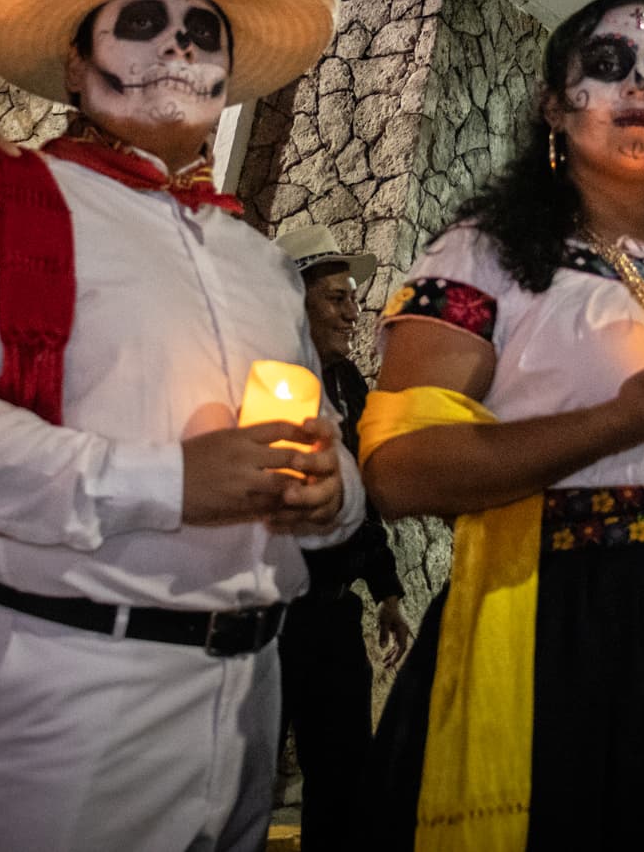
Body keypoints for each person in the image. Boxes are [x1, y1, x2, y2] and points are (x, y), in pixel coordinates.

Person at [0, 0, 364, 852]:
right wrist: (168, 479)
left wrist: (336, 498)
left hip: (250, 693)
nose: (179, 43)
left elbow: (327, 440)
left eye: (203, 31)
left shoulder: (258, 259)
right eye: (143, 20)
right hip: (72, 689)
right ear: (74, 63)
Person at [359, 0, 644, 849]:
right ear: (554, 102)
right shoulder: (485, 254)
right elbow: (400, 469)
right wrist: (617, 423)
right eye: (608, 63)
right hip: (560, 625)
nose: (640, 85)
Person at [273, 224, 412, 848]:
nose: (354, 311)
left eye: (353, 297)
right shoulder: (265, 382)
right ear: (293, 300)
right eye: (337, 297)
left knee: (346, 778)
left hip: (329, 615)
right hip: (267, 619)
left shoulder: (348, 385)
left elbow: (364, 498)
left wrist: (386, 590)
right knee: (242, 782)